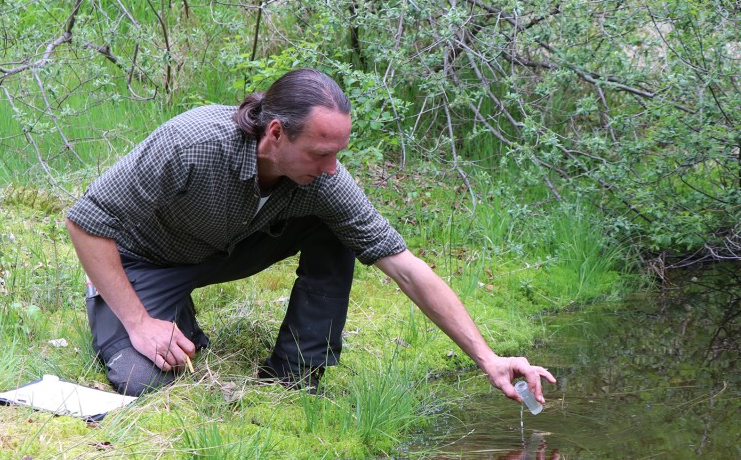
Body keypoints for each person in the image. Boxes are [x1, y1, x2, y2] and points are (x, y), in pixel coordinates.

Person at [66, 68, 556, 400]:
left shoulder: (323, 181)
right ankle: (158, 314)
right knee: (141, 379)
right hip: (145, 259)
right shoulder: (192, 143)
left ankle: (295, 375)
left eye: (338, 153)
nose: (331, 168)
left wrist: (488, 358)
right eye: (321, 153)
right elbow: (85, 221)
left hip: (224, 248)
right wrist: (138, 322)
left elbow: (404, 268)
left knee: (339, 228)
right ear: (275, 133)